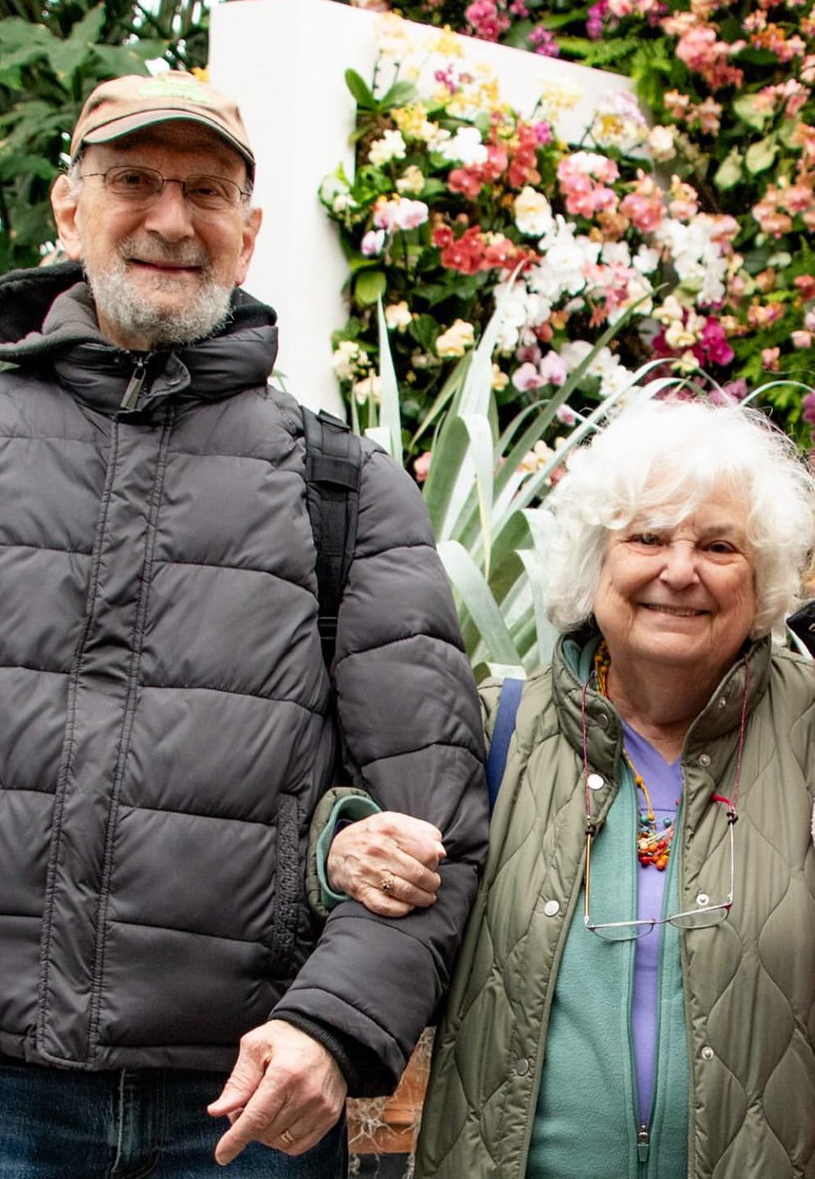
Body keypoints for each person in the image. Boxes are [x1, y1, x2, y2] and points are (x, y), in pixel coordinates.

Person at [0, 71, 489, 1177]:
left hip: (248, 1115)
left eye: (205, 191)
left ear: (246, 235)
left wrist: (332, 1026)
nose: (168, 218)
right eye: (133, 180)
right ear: (69, 208)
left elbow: (434, 826)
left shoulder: (341, 486)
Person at [328, 397, 815, 1177]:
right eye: (647, 537)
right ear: (595, 562)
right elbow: (331, 809)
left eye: (719, 545)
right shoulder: (497, 733)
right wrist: (344, 843)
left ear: (762, 579)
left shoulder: (808, 732)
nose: (679, 570)